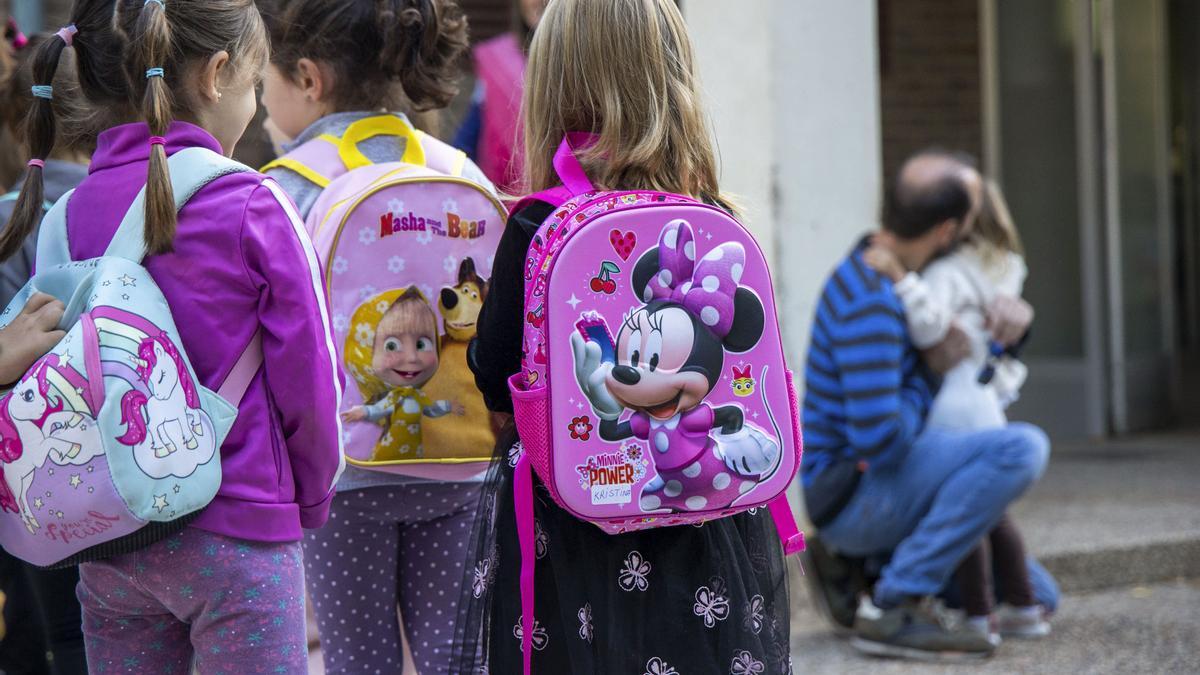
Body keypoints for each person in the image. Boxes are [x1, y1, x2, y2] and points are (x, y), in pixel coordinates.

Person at [2, 1, 345, 672]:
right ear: (217, 74)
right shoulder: (252, 203)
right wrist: (310, 496)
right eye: (251, 84)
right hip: (243, 531)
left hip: (112, 538)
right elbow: (309, 375)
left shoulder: (62, 221)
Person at [454, 1, 791, 673]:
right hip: (706, 525)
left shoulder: (537, 226)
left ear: (551, 84)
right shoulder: (713, 220)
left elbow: (495, 375)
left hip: (578, 530)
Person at [256, 2, 492, 672]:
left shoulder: (282, 190)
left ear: (308, 77)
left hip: (340, 477)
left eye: (264, 82)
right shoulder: (460, 172)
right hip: (460, 464)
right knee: (456, 655)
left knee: (358, 658)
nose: (262, 102)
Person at [801, 149, 1053, 660]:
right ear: (945, 230)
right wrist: (930, 377)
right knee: (1021, 449)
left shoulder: (905, 275)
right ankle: (892, 603)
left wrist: (1016, 331)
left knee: (1040, 598)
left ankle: (877, 570)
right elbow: (882, 441)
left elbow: (975, 327)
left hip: (884, 478)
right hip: (851, 495)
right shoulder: (870, 299)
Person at [863, 179, 1050, 641]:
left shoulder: (948, 272)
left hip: (952, 405)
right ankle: (1025, 604)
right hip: (984, 405)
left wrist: (901, 280)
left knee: (964, 509)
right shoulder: (1005, 266)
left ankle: (978, 613)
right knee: (989, 512)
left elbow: (932, 329)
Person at [0, 27, 96, 675]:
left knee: (34, 627)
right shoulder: (130, 211)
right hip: (114, 467)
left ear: (17, 124)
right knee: (85, 633)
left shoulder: (9, 217)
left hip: (17, 474)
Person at [452, 0, 547, 194]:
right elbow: (467, 139)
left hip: (572, 211)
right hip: (505, 203)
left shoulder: (586, 64)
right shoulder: (496, 60)